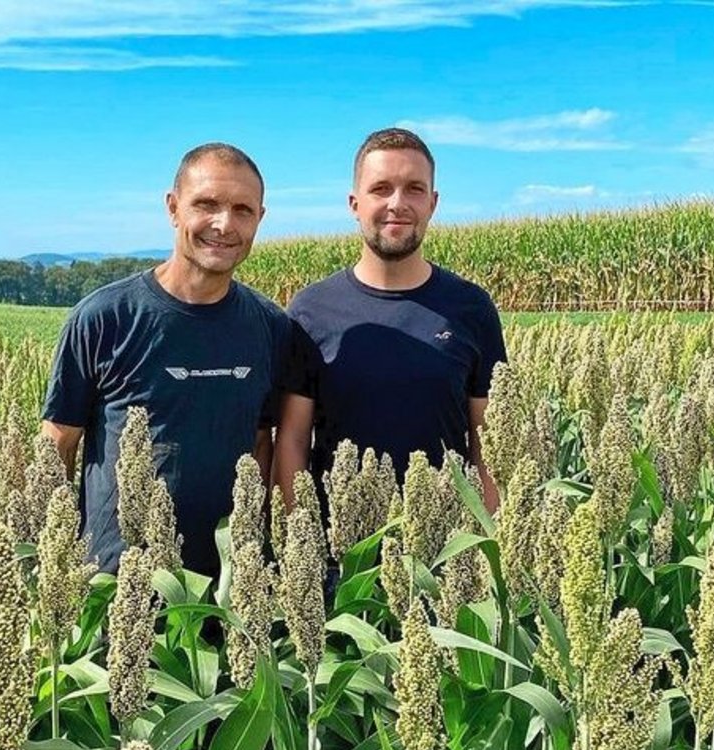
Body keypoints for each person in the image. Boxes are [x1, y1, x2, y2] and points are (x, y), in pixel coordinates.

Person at [41, 143, 289, 576]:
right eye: (206, 204)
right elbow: (57, 447)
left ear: (259, 219)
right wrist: (53, 566)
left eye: (242, 210)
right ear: (173, 208)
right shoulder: (103, 318)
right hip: (116, 589)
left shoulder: (271, 326)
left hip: (226, 594)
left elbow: (260, 443)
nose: (224, 224)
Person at [274, 127, 507, 510]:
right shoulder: (310, 310)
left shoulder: (472, 308)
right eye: (381, 188)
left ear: (432, 203)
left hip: (446, 550)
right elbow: (293, 441)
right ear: (354, 204)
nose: (397, 203)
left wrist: (490, 545)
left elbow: (489, 442)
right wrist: (297, 543)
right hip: (342, 554)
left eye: (414, 189)